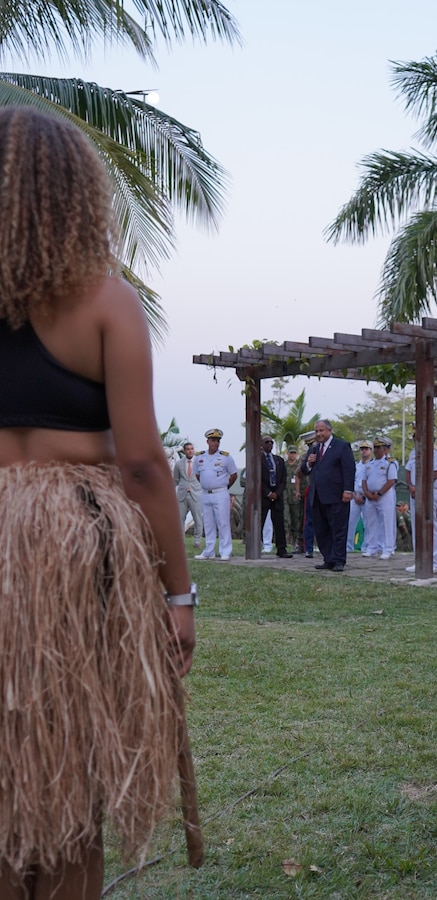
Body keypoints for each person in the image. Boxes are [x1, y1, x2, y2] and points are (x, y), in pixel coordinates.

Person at [0, 106, 195, 899]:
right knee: (67, 753)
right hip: (69, 544)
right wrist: (178, 591)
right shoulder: (107, 301)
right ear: (79, 194)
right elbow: (144, 465)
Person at [301, 419, 355, 571]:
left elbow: (349, 470)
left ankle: (339, 560)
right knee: (321, 529)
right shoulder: (314, 449)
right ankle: (328, 559)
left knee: (338, 528)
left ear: (329, 431)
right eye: (317, 431)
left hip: (336, 495)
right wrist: (309, 464)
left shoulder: (341, 446)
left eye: (321, 431)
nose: (318, 434)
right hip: (317, 495)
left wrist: (348, 490)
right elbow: (304, 470)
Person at [404, 432, 437, 573]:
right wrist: (411, 486)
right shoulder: (414, 452)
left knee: (430, 526)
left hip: (429, 491)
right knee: (417, 526)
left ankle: (434, 563)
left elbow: (434, 474)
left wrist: (420, 488)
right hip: (415, 492)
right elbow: (408, 471)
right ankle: (418, 560)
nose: (416, 440)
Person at [194, 428, 238, 560]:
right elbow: (197, 474)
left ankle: (225, 550)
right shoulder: (200, 457)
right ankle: (209, 550)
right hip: (206, 493)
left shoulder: (225, 457)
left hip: (220, 493)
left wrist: (224, 485)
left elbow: (234, 474)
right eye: (213, 440)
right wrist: (206, 484)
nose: (216, 443)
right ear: (207, 441)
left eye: (218, 441)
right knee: (208, 523)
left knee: (223, 522)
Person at [361, 437, 398, 560]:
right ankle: (372, 548)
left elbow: (392, 480)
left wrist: (380, 493)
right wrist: (366, 492)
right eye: (375, 447)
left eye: (379, 447)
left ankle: (387, 548)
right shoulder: (369, 464)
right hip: (370, 496)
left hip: (384, 495)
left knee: (387, 522)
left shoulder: (389, 463)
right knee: (371, 522)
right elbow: (364, 480)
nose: (376, 450)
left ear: (384, 449)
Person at [260, 435, 293, 558]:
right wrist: (268, 493)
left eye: (271, 442)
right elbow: (257, 479)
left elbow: (283, 479)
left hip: (277, 495)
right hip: (264, 496)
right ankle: (256, 547)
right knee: (260, 522)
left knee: (279, 523)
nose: (270, 444)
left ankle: (281, 549)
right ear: (261, 444)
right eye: (267, 442)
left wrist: (276, 493)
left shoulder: (278, 460)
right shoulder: (257, 459)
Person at [173, 441, 203, 548]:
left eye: (192, 449)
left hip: (196, 494)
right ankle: (181, 542)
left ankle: (197, 541)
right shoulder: (179, 464)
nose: (190, 451)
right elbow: (175, 480)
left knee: (198, 519)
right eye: (188, 449)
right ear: (185, 451)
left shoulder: (200, 462)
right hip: (182, 494)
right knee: (180, 519)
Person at [346, 439, 373, 552]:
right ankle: (348, 546)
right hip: (355, 496)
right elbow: (351, 480)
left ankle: (366, 547)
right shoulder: (356, 466)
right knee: (350, 522)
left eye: (366, 449)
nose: (364, 451)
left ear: (371, 451)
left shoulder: (372, 465)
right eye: (362, 449)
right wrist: (354, 494)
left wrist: (366, 494)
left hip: (368, 496)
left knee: (368, 523)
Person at [283, 445, 302, 552]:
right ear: (288, 453)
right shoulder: (284, 465)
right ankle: (285, 542)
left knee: (296, 521)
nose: (293, 455)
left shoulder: (299, 466)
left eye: (294, 453)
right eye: (291, 453)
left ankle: (296, 543)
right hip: (285, 496)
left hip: (295, 497)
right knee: (286, 520)